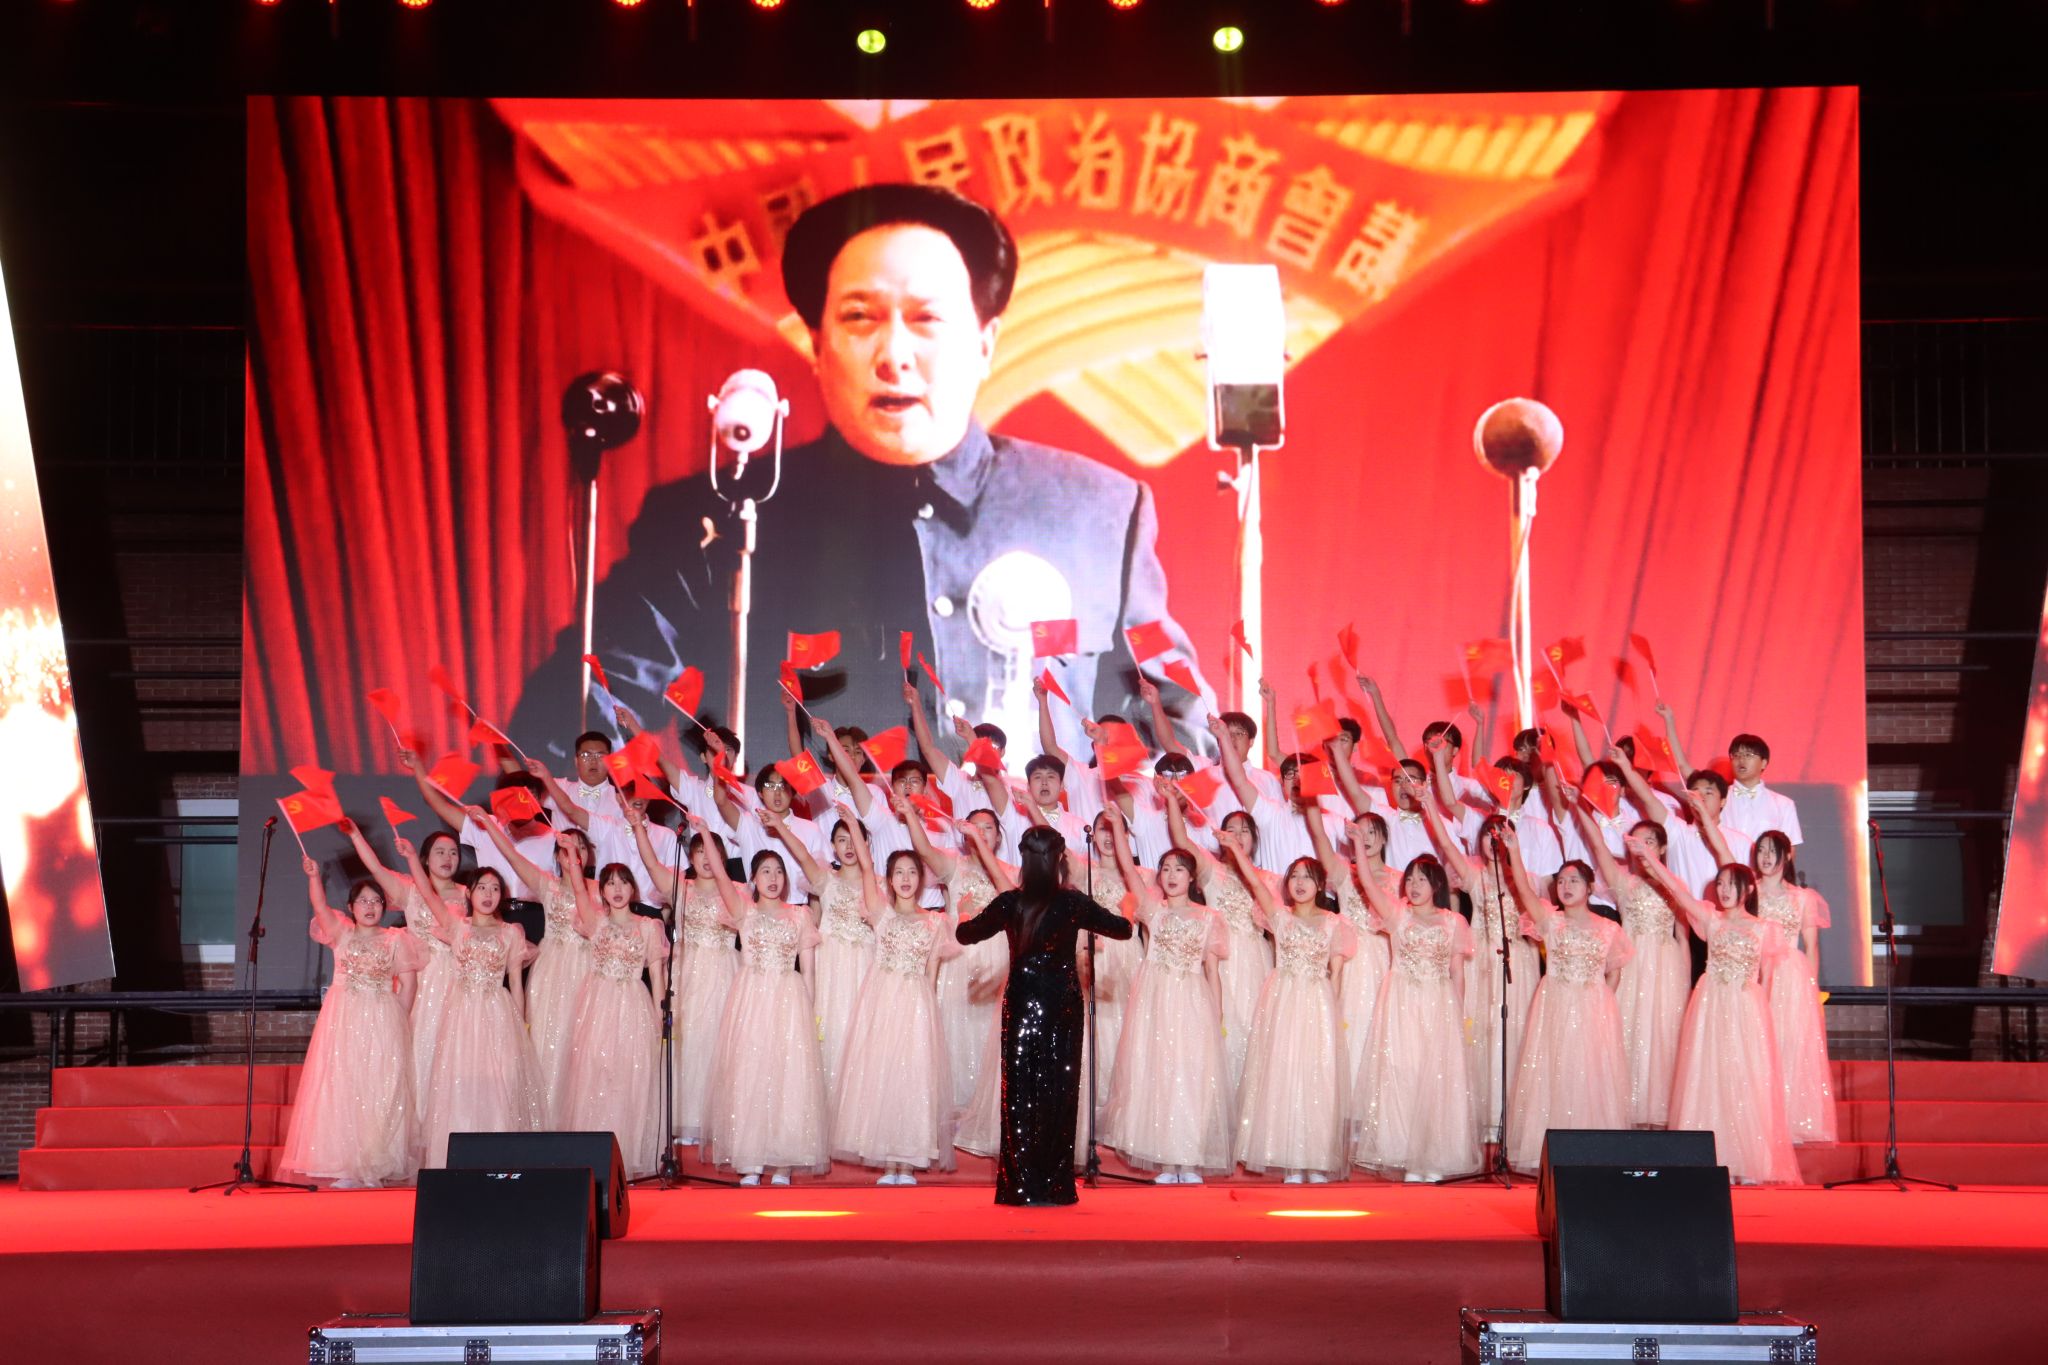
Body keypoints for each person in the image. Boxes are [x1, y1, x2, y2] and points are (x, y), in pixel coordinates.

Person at [508, 182, 1210, 764]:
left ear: (985, 343)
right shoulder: (720, 518)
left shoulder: (1096, 514)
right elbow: (572, 722)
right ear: (817, 346)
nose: (893, 354)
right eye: (859, 317)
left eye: (926, 319)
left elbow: (1183, 735)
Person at [956, 825, 1136, 1206]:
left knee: (1020, 1092)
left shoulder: (1010, 903)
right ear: (1059, 859)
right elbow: (1122, 930)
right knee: (1059, 1091)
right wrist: (1129, 910)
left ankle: (1020, 1186)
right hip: (1061, 1006)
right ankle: (1055, 1185)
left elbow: (966, 934)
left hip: (1022, 1003)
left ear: (1024, 860)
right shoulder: (1071, 903)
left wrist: (962, 913)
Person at [1640, 853, 1802, 1185]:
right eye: (1721, 884)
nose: (1724, 890)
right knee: (1709, 1075)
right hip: (1711, 1007)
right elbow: (1678, 890)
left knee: (1745, 1077)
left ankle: (1749, 1161)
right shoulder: (1711, 919)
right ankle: (1710, 1159)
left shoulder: (1766, 929)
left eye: (1732, 884)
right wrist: (1650, 859)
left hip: (1746, 1009)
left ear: (1748, 889)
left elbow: (1772, 977)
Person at [697, 830, 831, 1186]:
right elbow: (721, 876)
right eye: (765, 871)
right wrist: (704, 834)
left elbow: (809, 971)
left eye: (779, 871)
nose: (773, 878)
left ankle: (783, 1162)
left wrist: (811, 1014)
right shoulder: (744, 911)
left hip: (789, 1001)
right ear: (753, 879)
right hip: (752, 999)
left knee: (787, 1076)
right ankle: (751, 1158)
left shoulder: (800, 916)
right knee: (749, 1074)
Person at [279, 860, 422, 1189]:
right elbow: (319, 907)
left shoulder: (396, 939)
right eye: (363, 901)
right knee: (346, 1086)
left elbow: (409, 984)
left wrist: (398, 1020)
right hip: (344, 1021)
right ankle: (348, 1164)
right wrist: (314, 878)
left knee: (381, 1087)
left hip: (383, 1018)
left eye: (376, 901)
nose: (370, 907)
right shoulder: (342, 933)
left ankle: (377, 1162)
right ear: (350, 907)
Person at [1496, 837, 1632, 1174]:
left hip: (1593, 1010)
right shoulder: (1551, 921)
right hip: (1555, 1006)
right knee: (1553, 1074)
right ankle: (1550, 1153)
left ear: (1590, 888)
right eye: (1561, 881)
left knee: (1590, 1076)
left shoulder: (1609, 928)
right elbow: (1524, 891)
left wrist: (1600, 1001)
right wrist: (1514, 849)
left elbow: (1614, 971)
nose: (1566, 887)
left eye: (1574, 881)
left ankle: (1591, 1153)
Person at [831, 850, 962, 1185]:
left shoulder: (935, 922)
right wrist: (854, 830)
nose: (905, 879)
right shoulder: (881, 914)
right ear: (889, 880)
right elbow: (865, 867)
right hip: (884, 1004)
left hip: (917, 1005)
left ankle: (909, 1162)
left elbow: (932, 973)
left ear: (921, 879)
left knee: (914, 1078)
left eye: (912, 872)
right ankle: (889, 1162)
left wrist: (930, 1013)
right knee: (884, 1076)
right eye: (899, 872)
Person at [1418, 794, 1540, 1147]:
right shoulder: (1474, 876)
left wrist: (1515, 856)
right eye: (1488, 833)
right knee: (1480, 1033)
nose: (1494, 839)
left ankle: (1510, 1118)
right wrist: (1429, 804)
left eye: (1501, 834)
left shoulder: (1526, 879)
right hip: (1481, 960)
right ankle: (1480, 1118)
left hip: (1516, 962)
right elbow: (1446, 844)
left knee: (1511, 1033)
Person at [1351, 856, 1481, 1183]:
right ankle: (1407, 1156)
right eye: (1409, 879)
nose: (1414, 885)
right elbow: (1367, 883)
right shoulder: (1398, 914)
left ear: (1436, 885)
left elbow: (1457, 972)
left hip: (1439, 1007)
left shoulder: (1453, 921)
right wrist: (1358, 846)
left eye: (1422, 879)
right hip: (1402, 1005)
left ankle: (1434, 1157)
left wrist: (1458, 1016)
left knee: (1436, 1080)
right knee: (1403, 1075)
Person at [408, 862, 546, 1169]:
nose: (488, 894)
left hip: (497, 1012)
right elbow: (428, 894)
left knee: (497, 1082)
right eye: (482, 887)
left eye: (495, 889)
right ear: (469, 893)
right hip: (462, 1014)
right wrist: (413, 861)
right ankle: (458, 1159)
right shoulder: (458, 926)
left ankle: (498, 1158)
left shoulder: (511, 933)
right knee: (461, 1081)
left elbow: (515, 983)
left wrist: (522, 1025)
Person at [1231, 857, 1359, 1185]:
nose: (1300, 883)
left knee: (1317, 1078)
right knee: (1284, 1075)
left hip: (1318, 1005)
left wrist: (1335, 1015)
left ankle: (1316, 1161)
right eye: (1294, 877)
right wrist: (1236, 851)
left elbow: (1337, 974)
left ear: (1320, 885)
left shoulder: (1334, 923)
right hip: (1284, 1002)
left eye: (1307, 877)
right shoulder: (1280, 917)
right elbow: (1256, 884)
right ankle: (1290, 1159)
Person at [470, 812, 595, 1125]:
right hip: (552, 972)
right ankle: (544, 1118)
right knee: (548, 1041)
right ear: (557, 856)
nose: (574, 853)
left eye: (581, 847)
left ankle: (579, 1120)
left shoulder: (599, 890)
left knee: (584, 1045)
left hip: (588, 969)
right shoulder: (546, 885)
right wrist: (489, 825)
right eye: (567, 848)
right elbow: (512, 857)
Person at [559, 863, 670, 1179]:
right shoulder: (596, 922)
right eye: (610, 883)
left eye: (623, 882)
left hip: (634, 1006)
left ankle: (627, 1157)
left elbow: (657, 976)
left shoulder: (648, 927)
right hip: (598, 1007)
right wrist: (572, 857)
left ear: (633, 889)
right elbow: (578, 890)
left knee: (628, 1078)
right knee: (596, 1075)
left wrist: (661, 1018)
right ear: (602, 891)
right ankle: (593, 1157)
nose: (617, 889)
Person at [636, 819, 739, 1149]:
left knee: (721, 1043)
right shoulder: (682, 887)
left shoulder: (736, 891)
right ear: (690, 857)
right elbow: (651, 864)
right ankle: (688, 1117)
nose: (707, 858)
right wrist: (638, 828)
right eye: (700, 851)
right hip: (687, 972)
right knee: (688, 1043)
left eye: (713, 851)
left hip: (724, 971)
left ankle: (721, 1118)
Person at [344, 820, 462, 1100]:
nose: (447, 858)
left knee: (454, 1048)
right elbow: (376, 868)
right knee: (417, 1045)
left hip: (456, 978)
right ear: (425, 858)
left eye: (453, 852)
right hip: (419, 979)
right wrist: (355, 835)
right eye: (440, 852)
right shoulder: (409, 889)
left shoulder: (467, 893)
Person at [1752, 831, 1837, 1145]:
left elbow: (1811, 947)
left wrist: (1812, 991)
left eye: (1773, 851)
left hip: (1790, 977)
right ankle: (1759, 1119)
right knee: (1758, 1045)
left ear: (1787, 856)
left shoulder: (1802, 898)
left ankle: (1789, 1120)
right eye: (1761, 850)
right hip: (1756, 972)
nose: (1766, 857)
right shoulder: (1749, 891)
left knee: (1789, 1044)